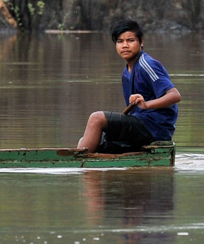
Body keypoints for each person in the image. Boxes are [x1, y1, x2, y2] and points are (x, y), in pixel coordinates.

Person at [76, 19, 181, 154]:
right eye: (120, 41)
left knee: (96, 119)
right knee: (88, 140)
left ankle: (77, 164)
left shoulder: (147, 64)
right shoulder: (126, 73)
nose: (125, 45)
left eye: (130, 40)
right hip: (141, 126)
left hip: (154, 128)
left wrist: (147, 105)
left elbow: (175, 95)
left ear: (141, 42)